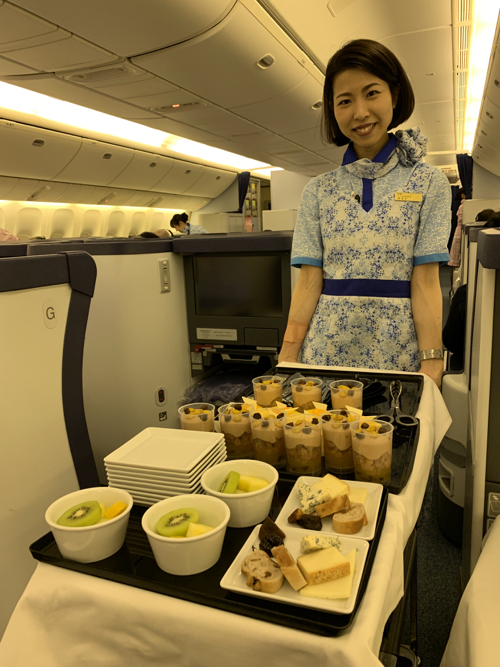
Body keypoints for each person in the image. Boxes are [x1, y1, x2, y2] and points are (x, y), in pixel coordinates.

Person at [278, 39, 451, 387]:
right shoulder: (318, 190)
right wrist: (287, 355)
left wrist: (432, 360)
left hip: (398, 352)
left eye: (371, 93)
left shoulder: (428, 182)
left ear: (394, 95)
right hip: (325, 352)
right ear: (332, 109)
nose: (359, 113)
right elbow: (310, 282)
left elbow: (426, 281)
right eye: (345, 101)